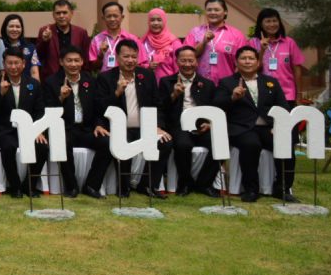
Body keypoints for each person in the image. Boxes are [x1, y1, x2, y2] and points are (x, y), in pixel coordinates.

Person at [215, 45, 296, 203]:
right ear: (236, 62)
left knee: (285, 143)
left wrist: (277, 126)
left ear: (258, 62)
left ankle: (282, 188)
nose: (247, 61)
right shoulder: (227, 82)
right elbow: (217, 104)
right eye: (243, 58)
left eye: (251, 58)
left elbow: (283, 107)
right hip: (242, 128)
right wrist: (232, 98)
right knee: (251, 145)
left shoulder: (271, 82)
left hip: (268, 127)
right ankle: (251, 189)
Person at [93, 40, 172, 199]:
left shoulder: (147, 75)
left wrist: (158, 126)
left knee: (165, 142)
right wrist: (117, 93)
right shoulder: (106, 78)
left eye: (134, 57)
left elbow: (157, 104)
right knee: (123, 142)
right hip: (119, 128)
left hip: (144, 128)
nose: (130, 60)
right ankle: (124, 187)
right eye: (126, 56)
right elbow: (99, 107)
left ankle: (148, 185)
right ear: (117, 57)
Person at [43, 46, 112, 199]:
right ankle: (71, 186)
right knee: (62, 141)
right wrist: (60, 98)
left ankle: (91, 186)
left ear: (82, 62)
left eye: (76, 60)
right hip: (64, 129)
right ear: (61, 62)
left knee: (107, 143)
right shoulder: (51, 82)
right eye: (69, 61)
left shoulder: (90, 81)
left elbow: (98, 108)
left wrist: (99, 124)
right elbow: (48, 112)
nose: (73, 64)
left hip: (86, 129)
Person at [157, 46, 220, 197]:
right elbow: (160, 107)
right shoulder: (166, 82)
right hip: (179, 126)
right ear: (177, 62)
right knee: (183, 145)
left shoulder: (207, 84)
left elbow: (214, 108)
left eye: (191, 60)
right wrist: (174, 95)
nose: (187, 64)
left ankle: (204, 183)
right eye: (183, 60)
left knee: (220, 144)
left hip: (201, 126)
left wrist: (210, 123)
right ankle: (185, 183)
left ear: (197, 62)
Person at [0, 47, 48, 199]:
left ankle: (29, 185)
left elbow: (40, 110)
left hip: (28, 129)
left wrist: (38, 130)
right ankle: (15, 187)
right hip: (4, 130)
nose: (13, 67)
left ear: (24, 64)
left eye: (16, 63)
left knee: (42, 146)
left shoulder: (33, 84)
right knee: (8, 146)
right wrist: (1, 94)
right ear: (4, 64)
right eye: (10, 63)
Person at [183, 0, 248, 83]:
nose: (212, 12)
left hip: (225, 85)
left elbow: (242, 64)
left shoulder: (237, 35)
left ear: (225, 12)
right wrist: (203, 42)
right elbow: (186, 58)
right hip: (199, 83)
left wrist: (233, 83)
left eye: (216, 10)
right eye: (209, 10)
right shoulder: (195, 32)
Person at [249, 7, 305, 103]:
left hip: (287, 94)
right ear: (261, 24)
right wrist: (262, 50)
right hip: (262, 93)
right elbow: (253, 69)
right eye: (268, 21)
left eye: (275, 21)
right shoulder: (253, 43)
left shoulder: (289, 42)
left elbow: (297, 70)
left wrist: (299, 94)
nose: (272, 24)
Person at [35, 0, 91, 78]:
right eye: (58, 13)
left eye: (64, 13)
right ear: (53, 15)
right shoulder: (45, 31)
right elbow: (38, 56)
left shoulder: (81, 32)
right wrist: (45, 41)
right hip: (52, 78)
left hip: (75, 77)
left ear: (71, 13)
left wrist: (85, 77)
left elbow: (86, 58)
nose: (61, 16)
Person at [88, 1, 140, 72]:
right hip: (104, 78)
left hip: (126, 77)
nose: (112, 19)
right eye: (108, 16)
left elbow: (140, 64)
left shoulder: (132, 39)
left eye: (115, 16)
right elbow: (93, 67)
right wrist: (100, 55)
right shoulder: (96, 40)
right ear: (103, 18)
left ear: (122, 17)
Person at [140, 8, 182, 81]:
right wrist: (147, 66)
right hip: (147, 83)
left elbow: (179, 66)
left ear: (164, 21)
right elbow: (137, 63)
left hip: (168, 84)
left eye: (159, 20)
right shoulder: (143, 42)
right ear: (148, 22)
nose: (156, 23)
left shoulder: (173, 42)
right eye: (152, 20)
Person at [0, 13, 41, 82]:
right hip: (4, 84)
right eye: (11, 26)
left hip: (26, 86)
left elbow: (34, 73)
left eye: (18, 27)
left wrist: (36, 87)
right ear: (5, 28)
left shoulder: (30, 47)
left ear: (22, 29)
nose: (14, 29)